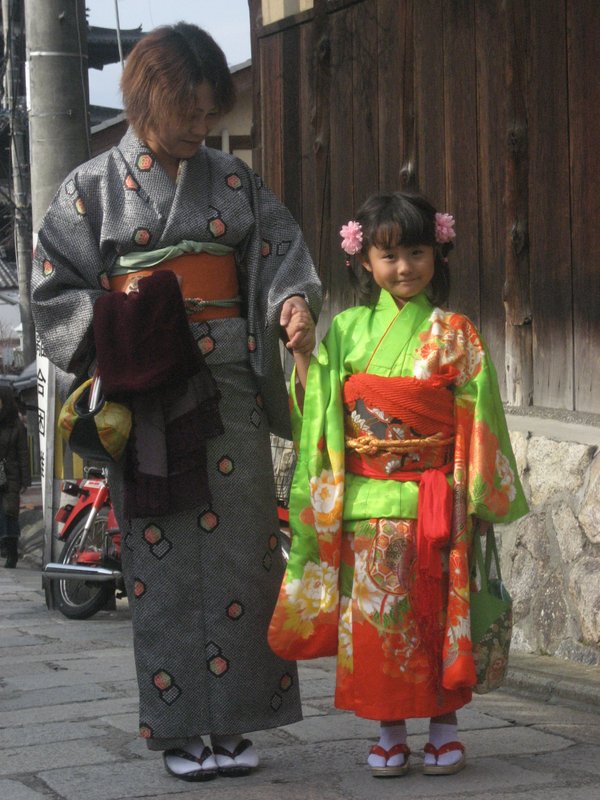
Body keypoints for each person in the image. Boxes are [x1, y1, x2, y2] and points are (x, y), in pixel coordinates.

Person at [30, 23, 320, 782]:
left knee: (245, 559)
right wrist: (129, 330)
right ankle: (179, 727)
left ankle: (238, 723)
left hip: (228, 389)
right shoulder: (89, 189)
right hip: (150, 395)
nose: (201, 126)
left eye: (208, 112)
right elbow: (55, 292)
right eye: (187, 110)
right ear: (146, 98)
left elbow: (282, 255)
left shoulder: (234, 181)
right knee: (159, 563)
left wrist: (292, 304)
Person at [268, 190, 528, 777]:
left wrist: (478, 495)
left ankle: (443, 726)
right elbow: (319, 412)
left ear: (438, 252)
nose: (404, 267)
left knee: (434, 618)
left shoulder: (456, 332)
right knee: (378, 623)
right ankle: (388, 729)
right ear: (364, 262)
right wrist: (307, 354)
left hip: (435, 499)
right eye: (389, 256)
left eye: (416, 252)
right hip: (366, 499)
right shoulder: (348, 330)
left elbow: (480, 417)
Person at [0, 386, 31, 569]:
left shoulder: (16, 425)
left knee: (10, 513)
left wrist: (25, 480)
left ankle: (12, 553)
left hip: (11, 475)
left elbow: (23, 453)